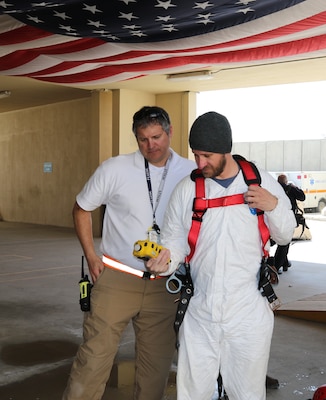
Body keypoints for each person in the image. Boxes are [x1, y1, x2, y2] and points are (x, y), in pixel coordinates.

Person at [146, 111, 296, 400]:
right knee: (193, 394)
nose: (200, 163)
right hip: (200, 312)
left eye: (207, 155)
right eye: (195, 155)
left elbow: (284, 236)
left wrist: (273, 204)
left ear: (226, 150)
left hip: (248, 313)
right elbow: (174, 242)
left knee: (247, 393)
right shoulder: (188, 189)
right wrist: (164, 262)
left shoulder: (259, 180)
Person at [62, 106, 195, 400]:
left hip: (165, 285)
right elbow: (81, 208)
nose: (151, 145)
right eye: (143, 139)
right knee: (93, 361)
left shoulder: (190, 173)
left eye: (157, 137)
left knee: (155, 369)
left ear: (170, 132)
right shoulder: (115, 169)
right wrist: (92, 256)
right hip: (117, 280)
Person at [274, 174, 306, 273]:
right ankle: (277, 266)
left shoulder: (273, 188)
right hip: (288, 219)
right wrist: (295, 187)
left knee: (283, 241)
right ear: (286, 181)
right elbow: (302, 197)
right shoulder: (290, 188)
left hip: (275, 218)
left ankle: (285, 263)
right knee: (285, 242)